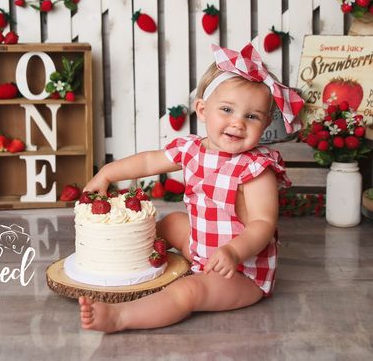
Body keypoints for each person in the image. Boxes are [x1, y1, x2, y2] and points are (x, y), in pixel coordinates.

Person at [79, 43, 304, 333]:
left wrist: (234, 252)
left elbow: (263, 223)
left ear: (264, 126)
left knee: (188, 291)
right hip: (200, 248)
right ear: (202, 109)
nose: (237, 123)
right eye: (227, 110)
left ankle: (120, 317)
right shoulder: (192, 149)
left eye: (252, 116)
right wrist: (108, 173)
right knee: (172, 222)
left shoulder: (256, 168)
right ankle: (122, 260)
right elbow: (149, 162)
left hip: (239, 272)